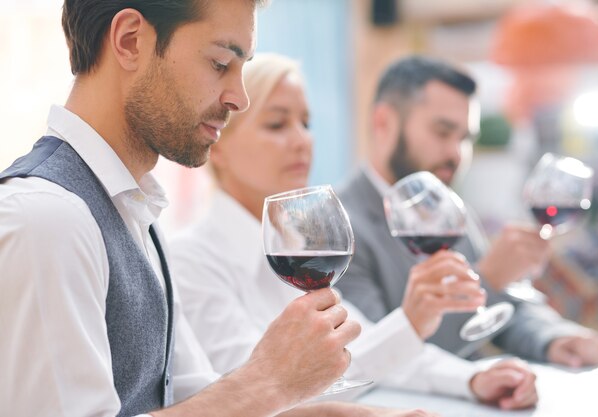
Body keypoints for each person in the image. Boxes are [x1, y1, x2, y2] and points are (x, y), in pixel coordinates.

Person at [0, 2, 438, 416]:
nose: (239, 98)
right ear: (131, 40)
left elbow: (199, 398)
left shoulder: (135, 215)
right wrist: (269, 380)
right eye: (219, 64)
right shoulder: (48, 219)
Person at [170, 52, 538, 411]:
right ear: (216, 144)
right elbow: (264, 394)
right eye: (277, 124)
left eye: (306, 123)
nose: (302, 141)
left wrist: (471, 380)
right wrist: (410, 322)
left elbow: (367, 343)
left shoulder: (298, 248)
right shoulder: (192, 261)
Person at [334, 54, 598, 367]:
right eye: (442, 132)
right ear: (383, 122)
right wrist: (487, 279)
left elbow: (505, 307)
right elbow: (380, 357)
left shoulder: (448, 211)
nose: (456, 153)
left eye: (465, 139)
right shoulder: (341, 230)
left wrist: (554, 337)